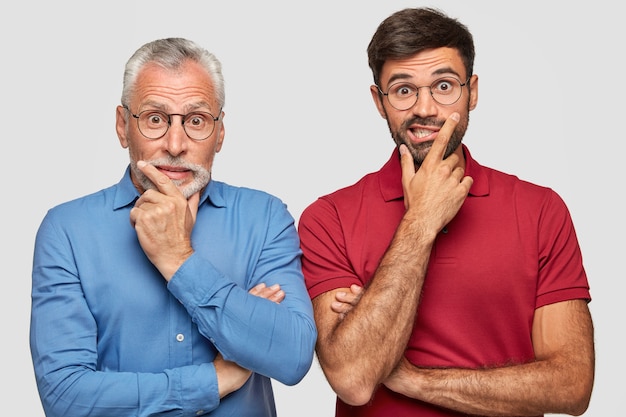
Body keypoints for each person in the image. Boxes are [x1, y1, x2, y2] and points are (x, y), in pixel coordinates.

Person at [298, 7, 594, 417]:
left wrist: (414, 379)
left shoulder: (541, 209)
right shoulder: (328, 218)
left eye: (443, 86)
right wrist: (420, 222)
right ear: (379, 102)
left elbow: (571, 385)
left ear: (472, 91)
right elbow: (353, 377)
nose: (425, 108)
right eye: (403, 90)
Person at [30, 37, 317, 417]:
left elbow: (292, 356)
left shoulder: (263, 217)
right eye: (155, 119)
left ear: (220, 134)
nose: (176, 143)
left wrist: (178, 260)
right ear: (122, 127)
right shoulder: (67, 231)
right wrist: (215, 380)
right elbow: (65, 398)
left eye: (196, 120)